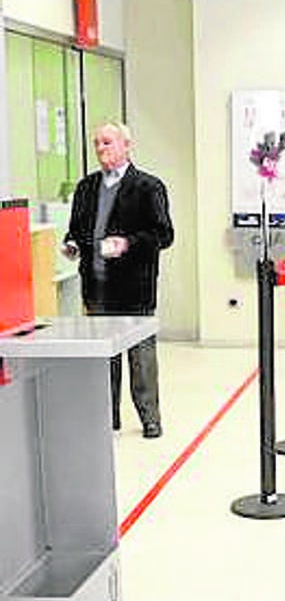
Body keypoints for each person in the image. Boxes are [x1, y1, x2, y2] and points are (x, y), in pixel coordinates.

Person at [63, 121, 175, 439]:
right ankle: (106, 417)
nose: (101, 149)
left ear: (127, 145)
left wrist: (127, 243)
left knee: (141, 358)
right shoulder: (86, 188)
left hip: (134, 288)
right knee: (102, 360)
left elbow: (163, 234)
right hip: (96, 287)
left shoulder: (148, 187)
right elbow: (77, 229)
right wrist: (72, 243)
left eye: (108, 142)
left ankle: (150, 418)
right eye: (97, 143)